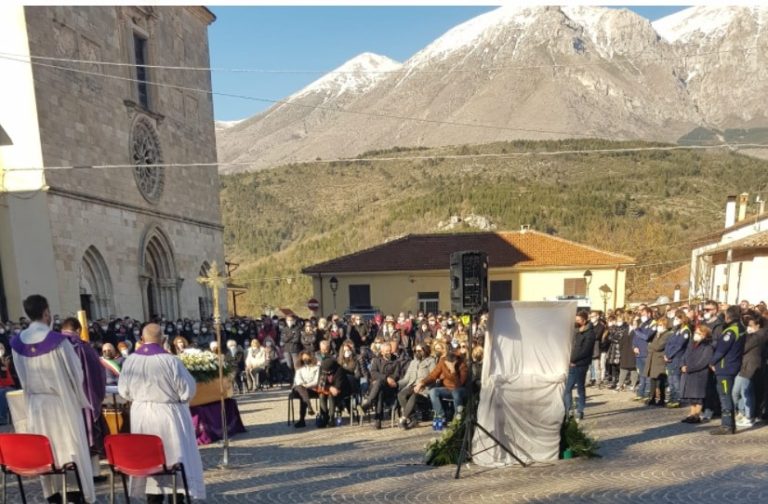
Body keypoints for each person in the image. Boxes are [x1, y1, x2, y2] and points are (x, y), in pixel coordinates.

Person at [10, 295, 95, 504]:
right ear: (46, 312)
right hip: (61, 404)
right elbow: (76, 373)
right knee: (69, 450)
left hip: (37, 405)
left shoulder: (17, 343)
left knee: (46, 451)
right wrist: (77, 396)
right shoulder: (58, 341)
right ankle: (76, 495)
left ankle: (53, 496)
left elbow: (21, 376)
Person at [118, 323, 205, 502]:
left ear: (141, 340)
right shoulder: (171, 361)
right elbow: (187, 391)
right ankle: (177, 495)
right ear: (164, 340)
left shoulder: (130, 360)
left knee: (149, 458)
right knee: (174, 456)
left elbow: (123, 392)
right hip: (169, 415)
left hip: (141, 415)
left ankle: (153, 495)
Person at [709, 305, 745, 435]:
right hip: (733, 365)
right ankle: (730, 424)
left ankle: (727, 425)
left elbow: (721, 350)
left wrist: (712, 362)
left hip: (725, 367)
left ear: (729, 316)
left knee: (725, 396)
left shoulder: (731, 331)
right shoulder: (741, 328)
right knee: (727, 395)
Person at [359, 340, 405, 429]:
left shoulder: (396, 361)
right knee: (379, 391)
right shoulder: (376, 360)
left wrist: (385, 379)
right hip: (377, 388)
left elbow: (396, 375)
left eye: (389, 351)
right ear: (382, 352)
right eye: (386, 351)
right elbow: (373, 373)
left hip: (389, 388)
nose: (389, 353)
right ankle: (377, 420)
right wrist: (386, 378)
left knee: (379, 384)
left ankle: (369, 405)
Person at [733, 313, 767, 427]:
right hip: (745, 365)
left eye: (751, 325)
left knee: (747, 392)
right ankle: (743, 413)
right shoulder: (756, 335)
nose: (749, 327)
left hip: (750, 366)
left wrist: (745, 337)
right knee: (737, 392)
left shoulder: (758, 336)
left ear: (758, 325)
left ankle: (749, 416)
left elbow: (744, 347)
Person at [415, 349, 468, 422]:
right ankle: (440, 416)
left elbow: (459, 384)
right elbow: (433, 375)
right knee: (433, 391)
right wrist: (422, 383)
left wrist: (453, 370)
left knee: (456, 392)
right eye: (447, 363)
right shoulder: (443, 361)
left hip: (460, 389)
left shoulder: (462, 365)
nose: (447, 365)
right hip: (447, 389)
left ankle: (457, 419)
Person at [564, 310, 596, 420]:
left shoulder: (590, 333)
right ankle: (568, 411)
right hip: (572, 364)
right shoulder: (576, 331)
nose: (576, 321)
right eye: (576, 319)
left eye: (578, 320)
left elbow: (585, 350)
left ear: (584, 320)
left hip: (581, 364)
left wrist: (573, 359)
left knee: (580, 389)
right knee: (567, 389)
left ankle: (580, 410)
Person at [680, 325, 715, 424]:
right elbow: (684, 355)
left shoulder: (708, 347)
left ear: (704, 335)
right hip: (688, 373)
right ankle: (691, 414)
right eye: (696, 332)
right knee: (691, 397)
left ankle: (696, 415)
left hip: (699, 375)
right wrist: (682, 365)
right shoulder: (691, 344)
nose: (696, 335)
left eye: (698, 333)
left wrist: (690, 368)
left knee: (698, 397)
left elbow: (704, 362)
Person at [397, 343, 436, 429]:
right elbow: (406, 379)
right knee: (401, 394)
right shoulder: (413, 362)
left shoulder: (431, 361)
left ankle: (403, 418)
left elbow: (433, 377)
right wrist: (396, 384)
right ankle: (413, 418)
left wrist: (423, 384)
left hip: (424, 388)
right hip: (412, 386)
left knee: (414, 395)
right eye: (415, 351)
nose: (416, 352)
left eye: (419, 351)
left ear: (425, 351)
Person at [664, 310, 691, 408]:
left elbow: (679, 346)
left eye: (676, 318)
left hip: (677, 358)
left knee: (676, 380)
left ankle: (677, 399)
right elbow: (669, 343)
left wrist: (670, 355)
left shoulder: (685, 331)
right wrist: (666, 354)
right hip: (669, 358)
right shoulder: (676, 330)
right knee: (670, 380)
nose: (675, 320)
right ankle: (671, 398)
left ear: (681, 319)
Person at [316, 357, 350, 427]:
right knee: (321, 395)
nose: (326, 373)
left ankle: (331, 418)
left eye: (328, 371)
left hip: (341, 391)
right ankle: (325, 417)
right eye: (324, 371)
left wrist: (329, 388)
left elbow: (338, 387)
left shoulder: (339, 370)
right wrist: (329, 387)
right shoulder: (322, 369)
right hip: (328, 389)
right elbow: (319, 383)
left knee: (331, 396)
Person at [645, 318, 671, 406]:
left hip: (659, 360)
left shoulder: (667, 334)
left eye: (660, 325)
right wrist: (651, 346)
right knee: (652, 379)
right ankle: (652, 397)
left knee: (661, 381)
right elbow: (649, 344)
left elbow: (659, 346)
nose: (658, 327)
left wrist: (651, 346)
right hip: (652, 358)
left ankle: (662, 399)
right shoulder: (656, 333)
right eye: (658, 325)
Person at [292, 351, 319, 428]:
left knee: (303, 395)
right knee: (300, 389)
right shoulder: (299, 367)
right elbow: (298, 379)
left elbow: (316, 380)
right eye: (304, 358)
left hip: (312, 388)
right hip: (299, 388)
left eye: (307, 358)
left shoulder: (316, 367)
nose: (305, 359)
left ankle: (302, 420)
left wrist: (307, 385)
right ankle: (309, 406)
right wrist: (303, 385)